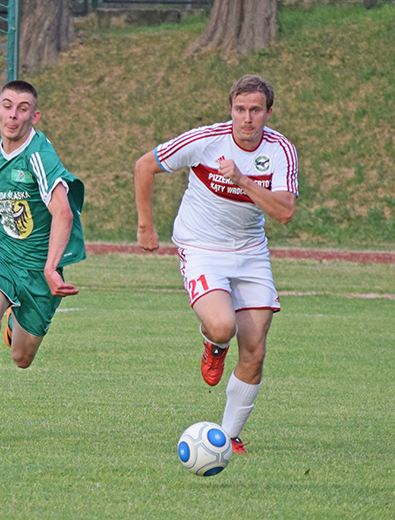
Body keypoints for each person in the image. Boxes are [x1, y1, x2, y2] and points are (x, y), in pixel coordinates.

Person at [134, 75, 298, 454]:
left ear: (268, 113)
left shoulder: (280, 151)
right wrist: (146, 225)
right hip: (202, 245)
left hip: (251, 252)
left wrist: (241, 179)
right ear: (231, 110)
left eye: (256, 110)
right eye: (240, 109)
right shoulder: (205, 140)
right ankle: (213, 342)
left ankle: (228, 437)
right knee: (224, 326)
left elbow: (284, 212)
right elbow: (145, 166)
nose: (247, 118)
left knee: (255, 348)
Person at [0, 80, 85, 442]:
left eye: (22, 108)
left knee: (22, 358)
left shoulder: (39, 156)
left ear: (34, 115)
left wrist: (50, 268)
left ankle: (17, 318)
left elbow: (63, 214)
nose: (13, 115)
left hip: (39, 267)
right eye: (7, 106)